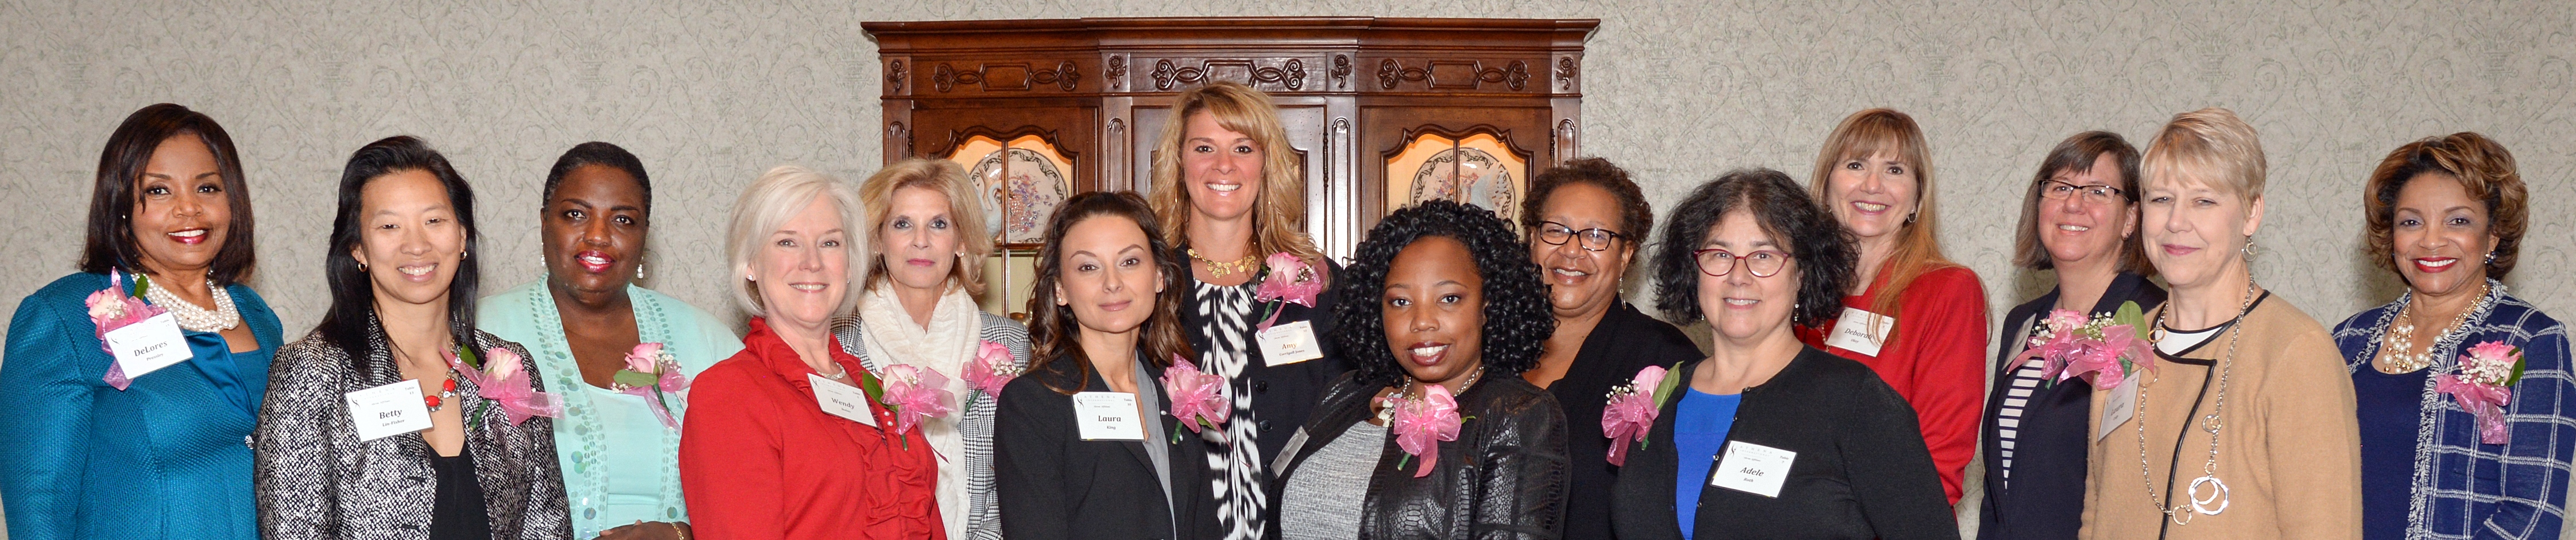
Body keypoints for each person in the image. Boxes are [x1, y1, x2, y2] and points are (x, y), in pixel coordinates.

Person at [1610, 169, 1955, 540]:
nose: (1738, 276)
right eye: (1719, 253)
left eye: (1763, 255)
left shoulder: (1855, 402)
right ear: (1693, 271)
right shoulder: (1662, 397)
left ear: (1803, 273)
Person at [255, 135, 570, 539]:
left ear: (461, 237)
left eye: (434, 221)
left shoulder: (507, 364)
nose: (416, 244)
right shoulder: (312, 372)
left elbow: (546, 526)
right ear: (357, 248)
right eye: (389, 226)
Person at [1, 104, 279, 540]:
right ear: (121, 205)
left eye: (207, 188)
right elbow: (41, 507)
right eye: (160, 191)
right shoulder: (65, 315)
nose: (189, 208)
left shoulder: (256, 314)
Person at [2078, 108, 2358, 539]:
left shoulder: (2295, 350)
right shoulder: (2125, 340)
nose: (2175, 222)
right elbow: (2097, 514)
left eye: (2203, 200)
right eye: (2161, 199)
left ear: (2250, 213)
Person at [478, 142, 742, 540]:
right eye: (576, 214)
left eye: (622, 220)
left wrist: (680, 534)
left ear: (644, 236)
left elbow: (761, 495)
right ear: (544, 222)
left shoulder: (708, 342)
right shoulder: (479, 331)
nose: (598, 235)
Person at [1268, 199, 1569, 539]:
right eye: (1401, 302)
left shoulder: (1519, 415)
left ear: (1488, 306)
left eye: (1449, 298)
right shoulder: (1345, 393)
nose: (1423, 321)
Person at [679, 165, 939, 539]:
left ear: (850, 264)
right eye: (787, 242)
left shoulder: (881, 389)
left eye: (830, 243)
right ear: (750, 263)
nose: (812, 262)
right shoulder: (729, 393)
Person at [2333, 133, 2571, 540]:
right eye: (2411, 221)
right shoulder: (2348, 338)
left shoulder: (2530, 340)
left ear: (2493, 234)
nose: (2430, 240)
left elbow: (2530, 516)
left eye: (2457, 221)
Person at [1145, 80, 1348, 540]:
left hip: (1299, 525)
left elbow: (1348, 418)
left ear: (1266, 162)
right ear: (1179, 162)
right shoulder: (1146, 284)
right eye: (1204, 147)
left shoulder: (1318, 284)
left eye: (1242, 147)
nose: (1223, 165)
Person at [994, 191, 1223, 540]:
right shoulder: (1032, 403)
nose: (1112, 283)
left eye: (1129, 262)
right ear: (1060, 290)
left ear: (1160, 276)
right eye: (1089, 267)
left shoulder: (1176, 391)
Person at [1793, 108, 1986, 504]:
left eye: (1895, 170)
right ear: (1827, 186)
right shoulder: (1792, 290)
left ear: (1917, 196)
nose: (1872, 184)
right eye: (1855, 164)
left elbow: (1941, 455)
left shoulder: (1947, 289)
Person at [1979, 132, 2166, 540]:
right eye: (2060, 187)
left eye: (2098, 191)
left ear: (2131, 218)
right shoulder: (2023, 322)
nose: (2073, 203)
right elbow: (1999, 488)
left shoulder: (2153, 321)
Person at [835, 158, 1034, 540]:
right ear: (877, 240)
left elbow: (1020, 479)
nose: (921, 240)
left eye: (938, 224)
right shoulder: (840, 344)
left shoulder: (1009, 342)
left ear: (961, 240)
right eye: (902, 224)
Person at [1516, 157, 1702, 540]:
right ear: (1532, 239)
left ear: (1626, 253)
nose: (1571, 250)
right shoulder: (1485, 346)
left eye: (1596, 235)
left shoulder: (1666, 360)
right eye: (1556, 230)